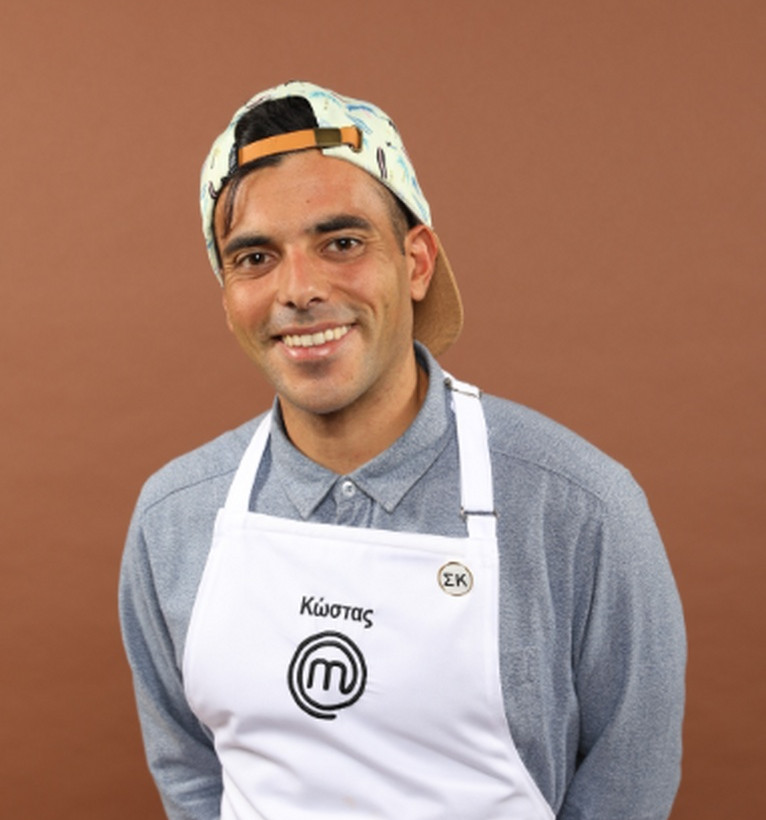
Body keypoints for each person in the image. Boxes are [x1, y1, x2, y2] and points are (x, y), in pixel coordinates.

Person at [119, 81, 686, 820]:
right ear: (227, 294)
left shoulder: (579, 509)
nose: (299, 290)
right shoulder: (174, 519)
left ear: (416, 262)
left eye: (342, 243)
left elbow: (627, 786)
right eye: (255, 256)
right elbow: (190, 772)